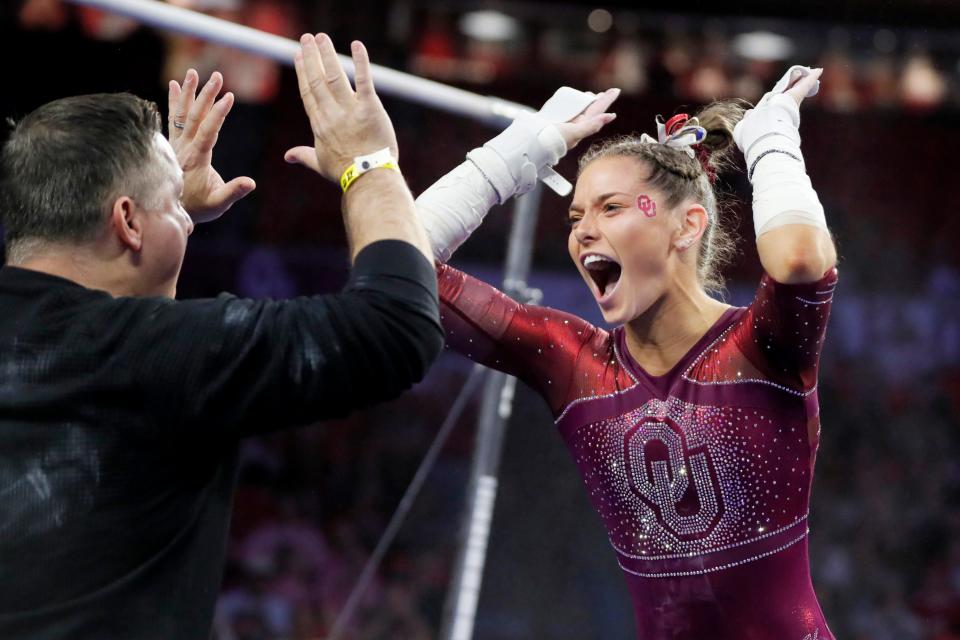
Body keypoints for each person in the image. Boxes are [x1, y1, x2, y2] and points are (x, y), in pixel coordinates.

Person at [0, 34, 442, 639]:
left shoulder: (132, 352)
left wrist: (164, 223)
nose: (185, 211)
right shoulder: (156, 354)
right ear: (127, 221)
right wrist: (368, 165)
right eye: (172, 203)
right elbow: (396, 327)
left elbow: (109, 350)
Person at [414, 66, 838, 638]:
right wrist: (518, 153)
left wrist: (771, 138)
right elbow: (400, 270)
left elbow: (799, 261)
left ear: (688, 225)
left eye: (610, 208)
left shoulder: (760, 347)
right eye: (574, 216)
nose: (583, 230)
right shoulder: (575, 363)